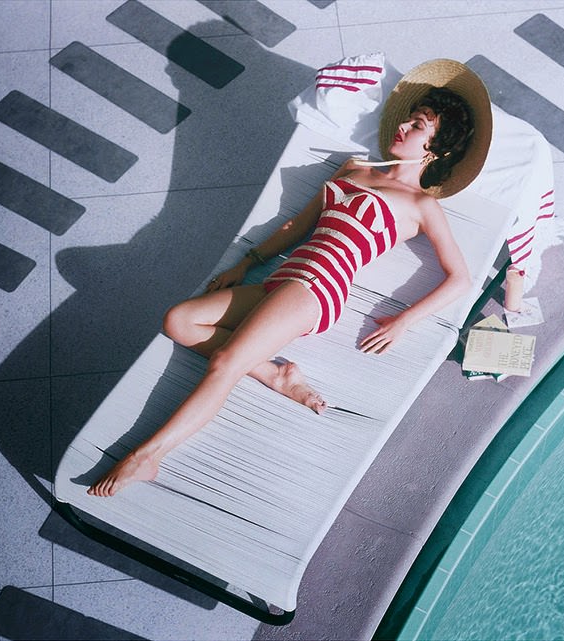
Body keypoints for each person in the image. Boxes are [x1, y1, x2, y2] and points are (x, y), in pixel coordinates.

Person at [88, 59, 492, 497]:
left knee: (224, 363)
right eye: (409, 120)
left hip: (318, 290)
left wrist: (402, 321)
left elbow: (460, 278)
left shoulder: (421, 205)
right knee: (179, 321)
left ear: (435, 150)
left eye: (416, 126)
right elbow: (297, 226)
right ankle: (275, 377)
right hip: (285, 277)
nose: (402, 129)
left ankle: (148, 457)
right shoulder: (353, 169)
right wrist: (247, 260)